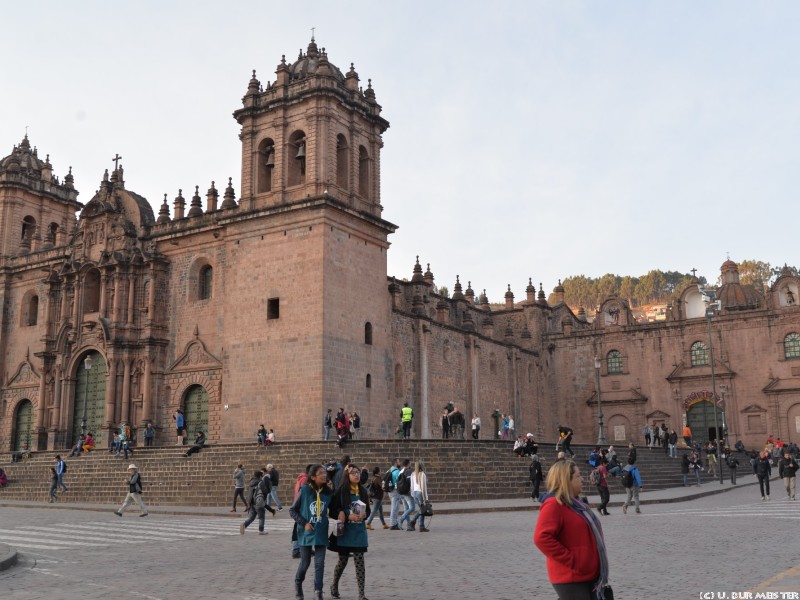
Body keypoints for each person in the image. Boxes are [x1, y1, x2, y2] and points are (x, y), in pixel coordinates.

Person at [533, 459, 611, 600]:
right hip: (570, 577)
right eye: (578, 476)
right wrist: (573, 561)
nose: (582, 479)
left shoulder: (577, 504)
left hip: (589, 574)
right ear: (565, 480)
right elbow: (541, 538)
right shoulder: (553, 504)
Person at [290, 464, 333, 600]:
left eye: (325, 472)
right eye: (321, 473)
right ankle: (298, 584)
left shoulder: (328, 493)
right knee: (305, 562)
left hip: (321, 531)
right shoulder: (305, 490)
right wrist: (304, 523)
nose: (324, 474)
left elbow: (334, 509)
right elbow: (292, 510)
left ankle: (318, 592)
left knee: (320, 563)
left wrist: (342, 513)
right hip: (305, 532)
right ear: (313, 477)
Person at [329, 464, 371, 600]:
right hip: (345, 532)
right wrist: (346, 515)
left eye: (358, 472)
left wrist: (365, 515)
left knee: (360, 562)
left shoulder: (363, 491)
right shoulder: (341, 491)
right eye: (353, 473)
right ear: (347, 475)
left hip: (359, 531)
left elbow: (368, 510)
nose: (357, 475)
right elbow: (333, 511)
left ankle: (361, 594)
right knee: (342, 561)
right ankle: (334, 585)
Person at [241, 470, 273, 535]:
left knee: (251, 517)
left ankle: (244, 525)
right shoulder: (260, 482)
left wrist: (248, 504)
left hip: (251, 503)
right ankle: (261, 530)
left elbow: (249, 493)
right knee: (261, 516)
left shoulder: (251, 482)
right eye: (262, 476)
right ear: (260, 476)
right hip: (258, 502)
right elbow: (265, 491)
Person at [409, 462, 430, 532]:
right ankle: (419, 525)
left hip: (414, 493)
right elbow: (424, 487)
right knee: (423, 510)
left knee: (421, 509)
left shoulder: (412, 474)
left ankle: (417, 523)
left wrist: (412, 495)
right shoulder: (422, 474)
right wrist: (426, 498)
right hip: (420, 493)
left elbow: (411, 486)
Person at [396, 459, 416, 530]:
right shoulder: (408, 471)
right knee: (412, 507)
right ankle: (400, 519)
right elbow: (410, 481)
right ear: (408, 464)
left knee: (406, 509)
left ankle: (408, 526)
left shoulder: (400, 471)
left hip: (400, 492)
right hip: (407, 492)